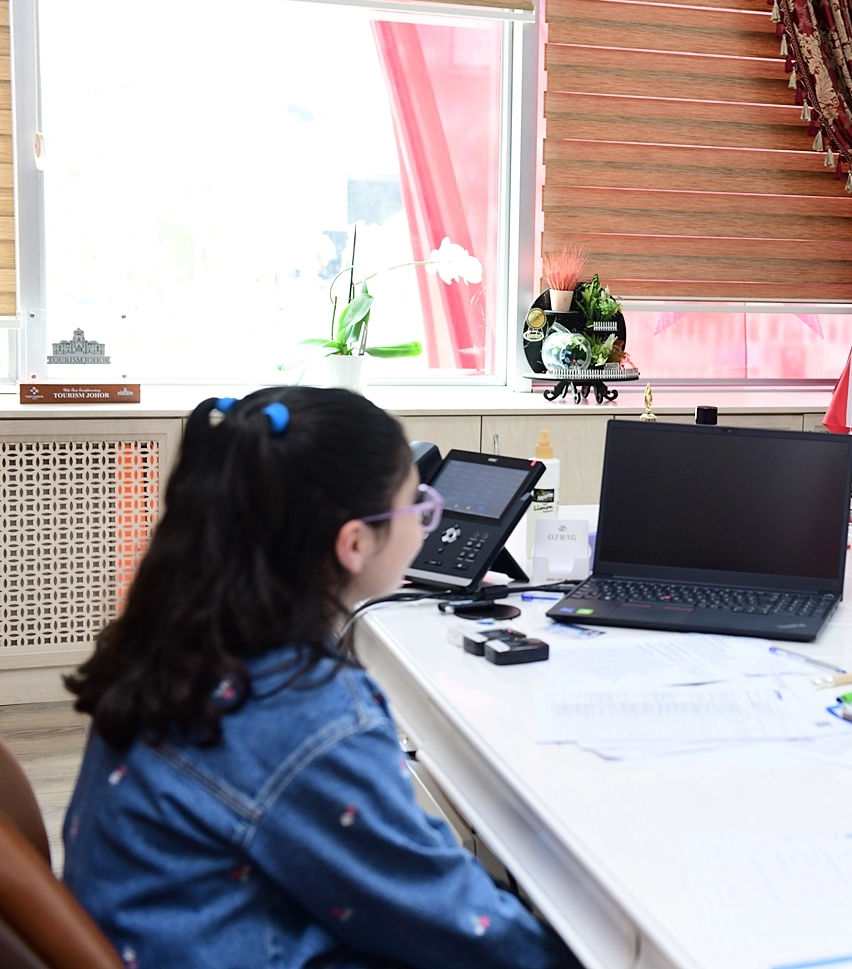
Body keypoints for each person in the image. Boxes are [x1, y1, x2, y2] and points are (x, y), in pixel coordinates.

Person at [62, 387, 578, 969]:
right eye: (416, 506)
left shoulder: (171, 642)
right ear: (354, 543)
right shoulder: (307, 710)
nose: (423, 525)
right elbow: (462, 926)